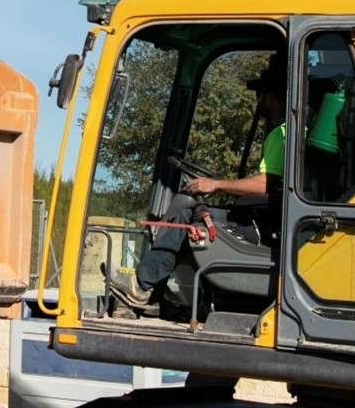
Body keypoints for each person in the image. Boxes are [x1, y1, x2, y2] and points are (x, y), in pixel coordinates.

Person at [116, 53, 286, 311]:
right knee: (194, 208)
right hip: (267, 219)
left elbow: (268, 184)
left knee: (186, 210)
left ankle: (143, 285)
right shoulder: (290, 132)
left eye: (261, 96)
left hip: (262, 227)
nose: (259, 103)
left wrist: (216, 184)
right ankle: (172, 293)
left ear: (273, 98)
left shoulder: (282, 134)